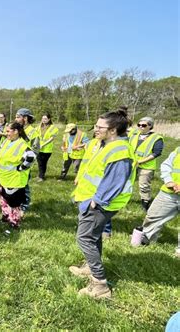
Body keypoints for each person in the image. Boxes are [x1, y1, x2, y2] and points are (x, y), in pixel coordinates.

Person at [69, 109, 135, 299]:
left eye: (99, 127)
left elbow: (115, 182)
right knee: (94, 236)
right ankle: (90, 267)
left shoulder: (119, 151)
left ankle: (100, 285)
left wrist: (96, 202)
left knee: (84, 238)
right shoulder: (106, 145)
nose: (95, 129)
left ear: (113, 130)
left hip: (99, 204)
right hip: (91, 200)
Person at [0, 122, 36, 230]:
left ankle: (14, 223)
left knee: (14, 203)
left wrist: (21, 168)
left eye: (8, 131)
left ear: (16, 131)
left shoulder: (22, 145)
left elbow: (31, 157)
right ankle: (6, 217)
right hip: (3, 178)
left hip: (14, 180)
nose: (6, 133)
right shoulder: (7, 141)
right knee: (3, 200)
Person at [139, 146, 179, 245]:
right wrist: (168, 181)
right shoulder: (178, 150)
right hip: (169, 192)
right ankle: (146, 240)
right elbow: (166, 165)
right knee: (153, 216)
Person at [129, 117, 164, 211]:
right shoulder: (134, 134)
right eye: (139, 125)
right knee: (126, 183)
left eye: (144, 125)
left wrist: (140, 161)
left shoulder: (157, 138)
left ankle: (145, 204)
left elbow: (156, 153)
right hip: (132, 164)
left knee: (143, 186)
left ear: (150, 126)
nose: (141, 127)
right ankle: (124, 201)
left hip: (146, 166)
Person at [15, 108, 38, 212]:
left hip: (25, 163)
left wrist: (26, 163)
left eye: (18, 117)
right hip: (14, 162)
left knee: (24, 185)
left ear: (25, 118)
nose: (16, 119)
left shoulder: (33, 132)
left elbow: (35, 150)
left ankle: (25, 205)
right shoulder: (17, 129)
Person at [35, 113, 59, 181]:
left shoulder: (53, 128)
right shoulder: (38, 127)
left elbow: (52, 138)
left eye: (45, 119)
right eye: (43, 118)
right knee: (39, 162)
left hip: (47, 149)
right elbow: (36, 136)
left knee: (43, 163)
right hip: (38, 148)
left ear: (49, 119)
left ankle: (41, 176)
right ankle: (41, 175)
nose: (44, 120)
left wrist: (43, 144)